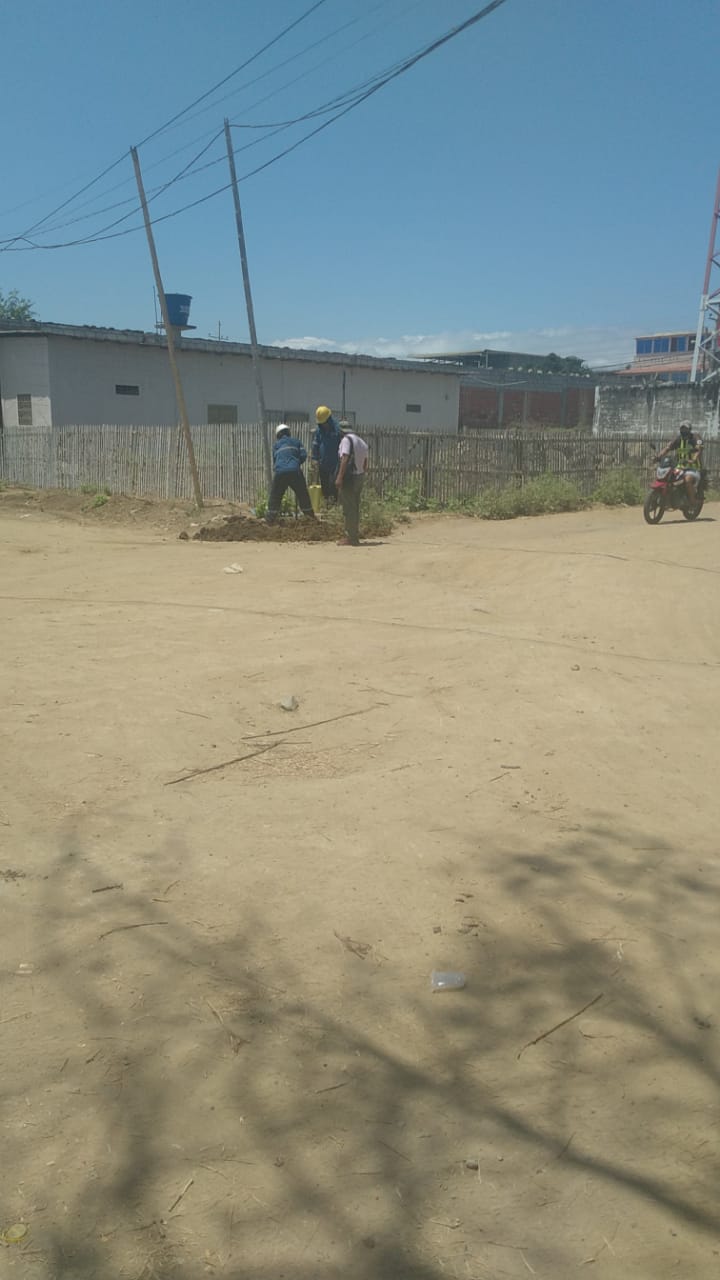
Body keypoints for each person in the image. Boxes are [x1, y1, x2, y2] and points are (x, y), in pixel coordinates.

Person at [266, 424, 316, 522]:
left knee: (275, 495)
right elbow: (303, 455)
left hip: (280, 472)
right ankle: (310, 517)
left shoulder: (276, 445)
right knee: (302, 494)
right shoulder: (296, 442)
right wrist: (296, 462)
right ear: (289, 432)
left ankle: (270, 519)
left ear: (278, 435)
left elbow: (275, 460)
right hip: (295, 471)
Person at [335, 422, 369, 546]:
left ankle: (351, 537)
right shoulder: (361, 442)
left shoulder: (346, 440)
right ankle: (354, 535)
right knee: (355, 507)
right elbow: (365, 463)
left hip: (350, 478)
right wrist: (361, 473)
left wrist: (340, 477)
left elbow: (345, 458)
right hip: (359, 476)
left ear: (341, 431)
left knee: (349, 507)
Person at [657, 420, 703, 505]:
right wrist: (659, 456)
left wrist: (693, 459)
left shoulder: (695, 438)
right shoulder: (678, 439)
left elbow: (698, 450)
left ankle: (692, 501)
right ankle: (668, 499)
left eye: (685, 429)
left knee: (687, 479)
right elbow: (667, 448)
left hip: (693, 468)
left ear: (690, 429)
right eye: (682, 429)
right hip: (679, 467)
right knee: (667, 477)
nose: (684, 431)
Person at [311, 405, 342, 503]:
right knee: (325, 488)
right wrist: (315, 458)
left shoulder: (337, 429)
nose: (323, 425)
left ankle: (333, 505)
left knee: (333, 486)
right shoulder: (319, 431)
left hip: (335, 464)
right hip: (323, 464)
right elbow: (316, 445)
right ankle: (326, 505)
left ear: (329, 419)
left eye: (324, 422)